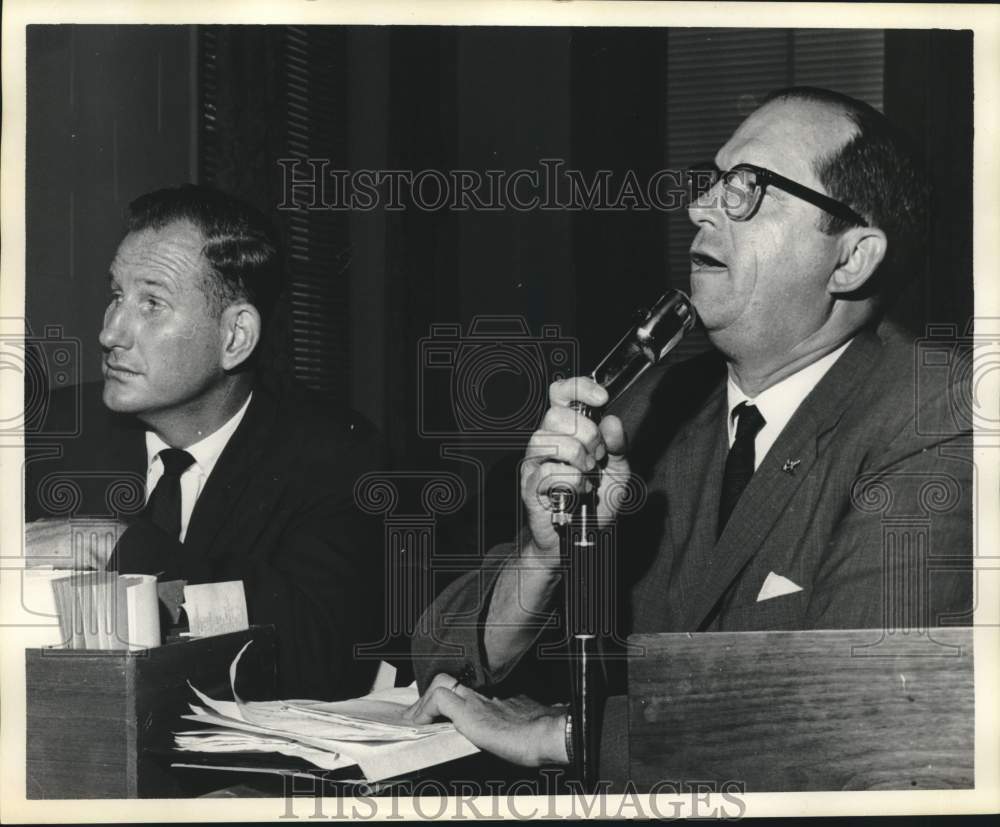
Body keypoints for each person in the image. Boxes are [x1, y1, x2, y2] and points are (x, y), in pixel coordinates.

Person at [403, 88, 973, 772]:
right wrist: (544, 554)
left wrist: (572, 733)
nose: (700, 207)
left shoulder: (936, 415)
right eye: (713, 181)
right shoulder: (652, 406)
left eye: (749, 189)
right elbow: (441, 658)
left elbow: (862, 712)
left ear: (851, 258)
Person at [25, 184, 385, 700]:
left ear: (235, 336)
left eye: (151, 303)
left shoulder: (334, 454)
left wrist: (116, 545)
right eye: (116, 295)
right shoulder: (46, 430)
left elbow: (321, 655)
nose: (110, 333)